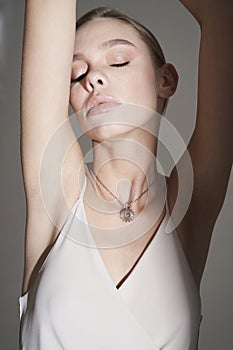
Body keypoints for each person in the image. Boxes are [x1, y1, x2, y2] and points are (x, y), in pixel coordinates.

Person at [19, 1, 233, 349]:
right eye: (75, 74)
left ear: (165, 80)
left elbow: (223, 15)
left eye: (118, 61)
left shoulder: (187, 211)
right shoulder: (57, 194)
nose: (93, 78)